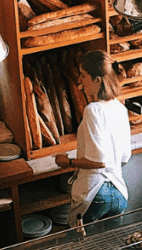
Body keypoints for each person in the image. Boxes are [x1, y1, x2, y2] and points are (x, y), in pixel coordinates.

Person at [55, 51, 132, 225]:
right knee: (111, 245)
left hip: (96, 193)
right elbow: (125, 157)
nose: (79, 81)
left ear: (97, 80)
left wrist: (68, 162)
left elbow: (99, 162)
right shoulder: (120, 108)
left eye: (83, 75)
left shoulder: (93, 110)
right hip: (119, 192)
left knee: (81, 245)